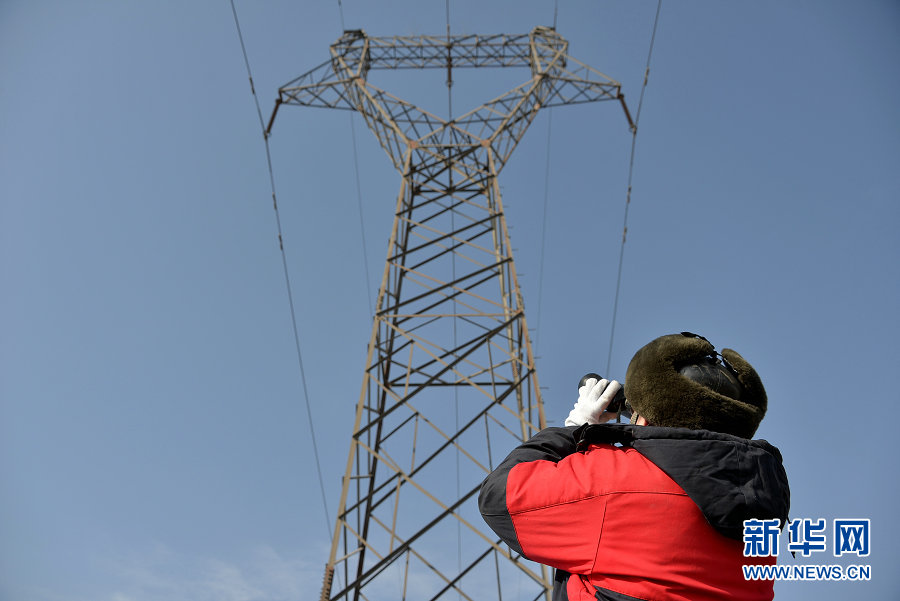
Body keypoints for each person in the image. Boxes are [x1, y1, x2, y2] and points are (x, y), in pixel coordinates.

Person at [478, 332, 790, 601]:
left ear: (647, 417)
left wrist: (577, 430)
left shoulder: (614, 481)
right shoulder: (758, 509)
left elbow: (499, 498)